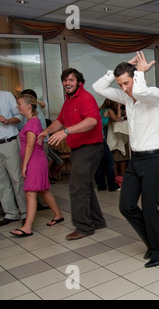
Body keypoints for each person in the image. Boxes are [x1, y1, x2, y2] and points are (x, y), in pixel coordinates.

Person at [92, 51, 159, 268]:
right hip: (135, 160)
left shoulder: (153, 94)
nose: (124, 88)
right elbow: (98, 87)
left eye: (126, 83)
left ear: (135, 78)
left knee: (149, 208)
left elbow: (141, 90)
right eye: (120, 84)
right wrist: (122, 67)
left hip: (153, 160)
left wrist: (140, 74)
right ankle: (153, 243)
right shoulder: (126, 97)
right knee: (126, 206)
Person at [38, 68, 105, 241]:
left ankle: (83, 227)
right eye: (65, 80)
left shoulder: (85, 98)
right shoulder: (68, 100)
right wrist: (46, 131)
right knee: (84, 185)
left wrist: (66, 132)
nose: (68, 83)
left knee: (77, 187)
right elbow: (60, 121)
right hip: (79, 148)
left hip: (89, 148)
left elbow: (91, 121)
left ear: (79, 82)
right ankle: (96, 221)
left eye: (71, 80)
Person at [10, 94, 64, 237]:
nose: (17, 106)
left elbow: (29, 146)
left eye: (19, 104)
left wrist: (24, 165)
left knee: (30, 192)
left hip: (34, 160)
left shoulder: (32, 123)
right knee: (43, 189)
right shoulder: (31, 121)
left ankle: (27, 227)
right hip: (36, 159)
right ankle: (58, 215)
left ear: (28, 106)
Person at [0, 90, 27, 226]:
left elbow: (20, 116)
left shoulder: (6, 95)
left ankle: (25, 212)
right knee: (1, 181)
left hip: (9, 142)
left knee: (17, 179)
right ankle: (11, 213)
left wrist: (7, 120)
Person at [94, 99, 121, 192]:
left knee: (99, 163)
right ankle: (112, 185)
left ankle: (101, 186)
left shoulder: (100, 109)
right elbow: (118, 119)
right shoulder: (109, 110)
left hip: (94, 139)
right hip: (100, 139)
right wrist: (118, 107)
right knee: (109, 162)